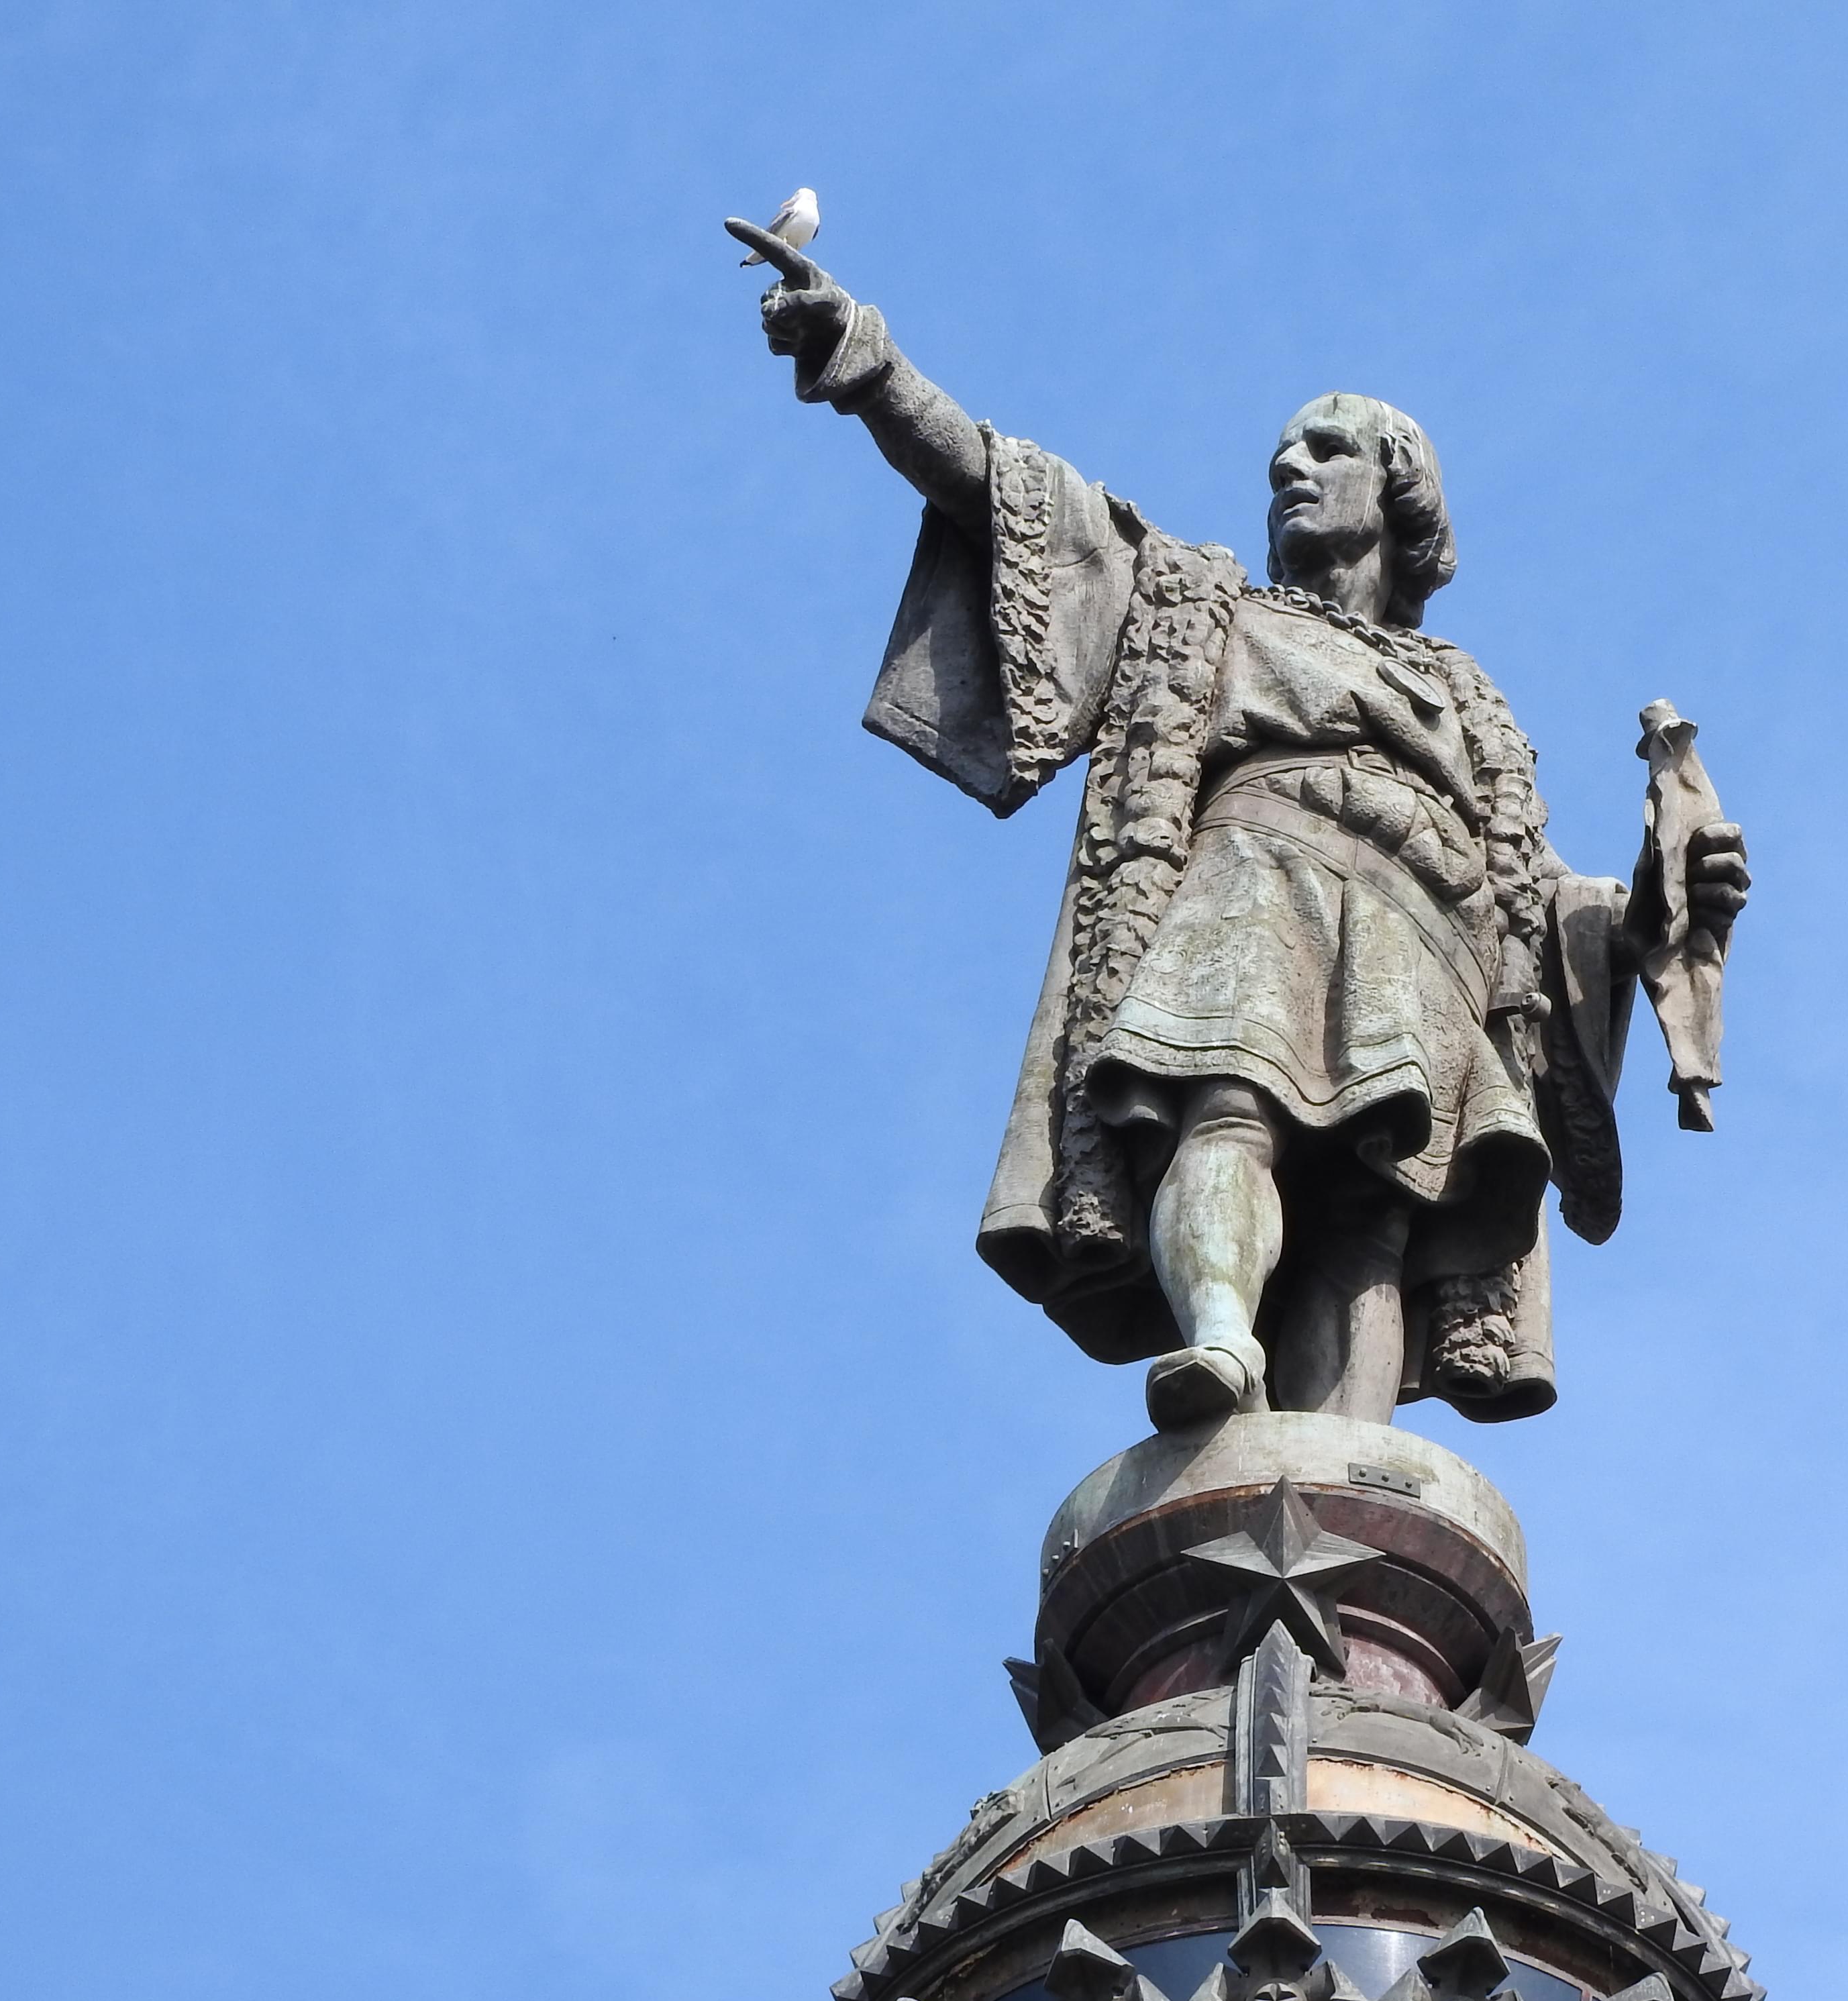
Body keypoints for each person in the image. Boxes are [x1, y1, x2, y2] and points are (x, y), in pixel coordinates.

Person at [732, 218, 1749, 1431]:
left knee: (1377, 1210)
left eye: (1326, 449)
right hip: (1255, 874)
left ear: (1399, 488)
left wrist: (1657, 904)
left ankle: (1340, 1450)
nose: (1291, 469)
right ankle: (1219, 1335)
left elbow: (1537, 916)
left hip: (1422, 936)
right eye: (1280, 455)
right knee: (1228, 1102)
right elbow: (1016, 503)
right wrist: (871, 366)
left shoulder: (1470, 705)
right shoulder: (1202, 605)